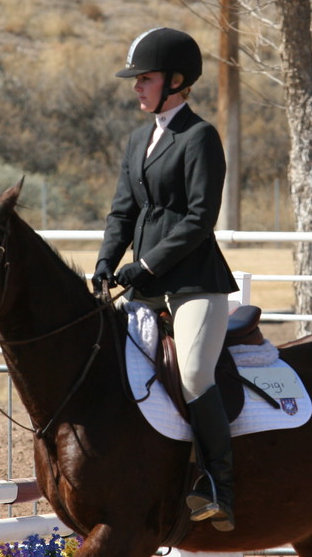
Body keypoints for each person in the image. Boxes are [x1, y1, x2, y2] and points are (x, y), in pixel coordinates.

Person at [92, 26, 239, 532]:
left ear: (176, 81)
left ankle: (219, 483)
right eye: (136, 80)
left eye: (145, 78)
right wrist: (106, 263)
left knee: (196, 373)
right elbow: (122, 213)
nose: (136, 87)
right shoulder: (138, 140)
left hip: (195, 283)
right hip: (143, 286)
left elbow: (200, 219)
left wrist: (147, 264)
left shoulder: (200, 137)